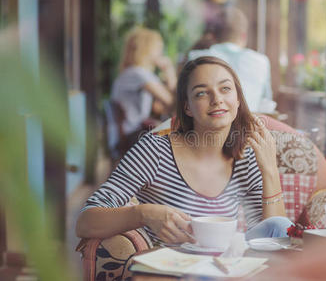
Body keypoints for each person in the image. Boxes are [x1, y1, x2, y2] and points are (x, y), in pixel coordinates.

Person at [76, 56, 292, 245]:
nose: (217, 99)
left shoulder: (247, 155)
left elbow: (276, 238)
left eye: (225, 88)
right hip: (170, 273)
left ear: (237, 99)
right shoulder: (155, 152)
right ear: (187, 106)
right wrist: (143, 213)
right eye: (201, 93)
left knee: (281, 226)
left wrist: (270, 169)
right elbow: (85, 222)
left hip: (228, 270)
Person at [188, 7, 274, 113]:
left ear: (213, 35)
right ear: (244, 36)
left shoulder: (195, 58)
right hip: (251, 123)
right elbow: (266, 103)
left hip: (211, 122)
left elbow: (185, 99)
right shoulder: (262, 61)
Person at [111, 26, 177, 152]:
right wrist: (169, 70)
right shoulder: (138, 74)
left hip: (131, 133)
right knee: (180, 132)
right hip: (134, 136)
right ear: (146, 49)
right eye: (158, 48)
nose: (161, 53)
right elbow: (171, 102)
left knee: (171, 127)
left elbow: (165, 105)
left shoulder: (132, 73)